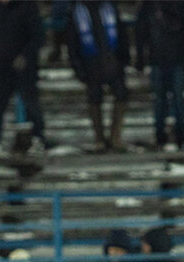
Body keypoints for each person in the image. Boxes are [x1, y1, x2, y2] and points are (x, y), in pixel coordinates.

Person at [64, 0, 131, 151]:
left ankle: (115, 136)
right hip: (91, 63)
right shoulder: (76, 11)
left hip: (112, 60)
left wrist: (124, 57)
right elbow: (71, 42)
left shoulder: (109, 6)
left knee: (122, 94)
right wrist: (77, 66)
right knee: (94, 98)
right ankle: (99, 138)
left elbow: (121, 33)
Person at [0, 0, 48, 156]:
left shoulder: (28, 7)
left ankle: (38, 138)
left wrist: (25, 56)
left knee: (31, 103)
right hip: (3, 66)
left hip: (24, 68)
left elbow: (38, 36)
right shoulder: (0, 8)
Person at [135, 0, 184, 149]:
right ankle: (162, 134)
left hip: (175, 59)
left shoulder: (179, 6)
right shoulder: (149, 6)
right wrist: (141, 58)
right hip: (160, 59)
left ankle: (177, 134)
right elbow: (141, 31)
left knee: (175, 98)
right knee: (163, 99)